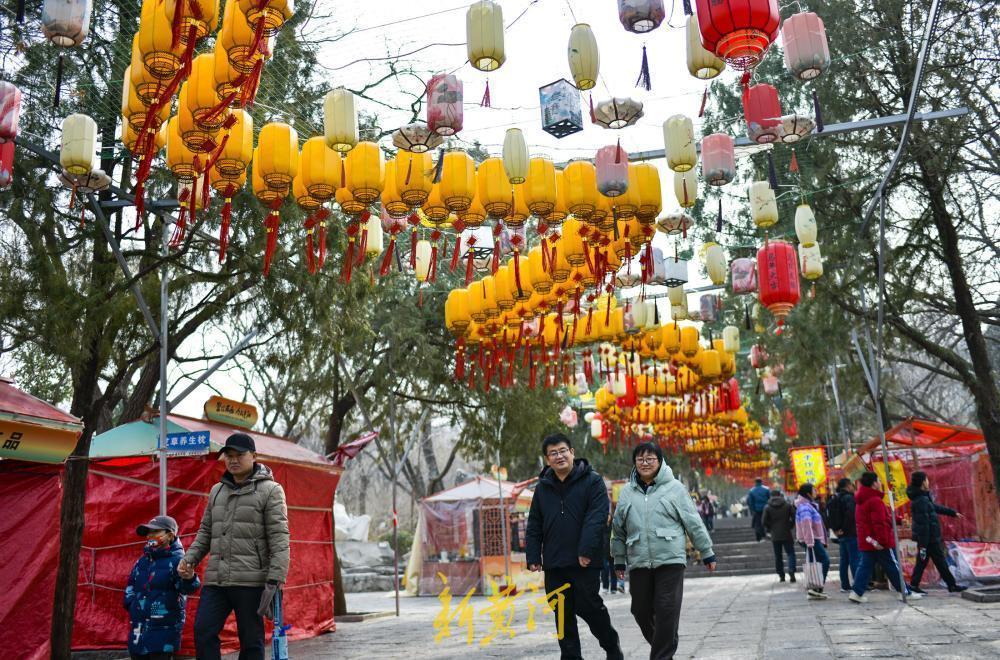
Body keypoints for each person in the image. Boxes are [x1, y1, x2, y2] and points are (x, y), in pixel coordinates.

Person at [178, 433, 291, 660]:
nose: (233, 460)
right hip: (217, 580)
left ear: (254, 456)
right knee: (203, 630)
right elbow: (206, 532)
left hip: (251, 581)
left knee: (251, 640)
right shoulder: (216, 491)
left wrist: (275, 578)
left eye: (239, 455)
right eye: (228, 456)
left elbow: (280, 538)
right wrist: (189, 559)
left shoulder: (271, 490)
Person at [612, 442, 716, 660]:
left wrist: (706, 551)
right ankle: (667, 642)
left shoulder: (675, 488)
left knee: (666, 609)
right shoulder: (627, 493)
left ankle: (662, 656)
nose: (645, 463)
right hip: (639, 559)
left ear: (660, 461)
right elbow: (618, 529)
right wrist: (619, 559)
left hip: (670, 559)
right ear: (635, 463)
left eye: (650, 458)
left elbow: (693, 522)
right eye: (640, 459)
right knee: (639, 610)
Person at [526, 433, 624, 660]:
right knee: (561, 613)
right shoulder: (542, 488)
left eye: (562, 451)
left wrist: (586, 551)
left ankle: (610, 643)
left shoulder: (593, 481)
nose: (559, 456)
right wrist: (533, 555)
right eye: (553, 453)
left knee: (588, 606)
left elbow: (597, 517)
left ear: (572, 452)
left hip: (584, 562)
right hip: (554, 562)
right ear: (547, 459)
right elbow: (534, 523)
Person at [124, 515, 200, 660]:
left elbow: (188, 588)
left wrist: (189, 578)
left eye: (155, 532)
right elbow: (131, 586)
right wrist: (132, 604)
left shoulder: (179, 560)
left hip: (164, 633)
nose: (149, 536)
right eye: (148, 533)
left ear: (170, 535)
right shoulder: (142, 561)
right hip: (138, 631)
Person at [850, 471, 922, 603]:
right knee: (892, 566)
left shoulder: (861, 500)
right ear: (873, 484)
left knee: (865, 565)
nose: (880, 483)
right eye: (878, 480)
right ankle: (904, 592)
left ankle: (856, 592)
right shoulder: (875, 500)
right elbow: (879, 523)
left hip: (868, 540)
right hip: (880, 541)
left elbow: (883, 518)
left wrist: (898, 520)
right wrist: (883, 541)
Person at [907, 471, 967, 594]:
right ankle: (951, 585)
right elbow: (923, 524)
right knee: (936, 562)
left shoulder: (922, 498)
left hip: (928, 539)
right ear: (922, 482)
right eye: (926, 479)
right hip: (929, 540)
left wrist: (952, 513)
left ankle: (915, 585)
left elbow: (935, 508)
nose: (928, 482)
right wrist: (923, 544)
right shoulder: (921, 500)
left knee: (927, 562)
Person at [795, 483, 830, 599]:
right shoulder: (805, 506)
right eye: (814, 490)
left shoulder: (808, 505)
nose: (816, 492)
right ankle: (816, 588)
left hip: (813, 539)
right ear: (808, 493)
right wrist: (810, 542)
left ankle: (816, 589)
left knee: (817, 563)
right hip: (812, 540)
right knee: (825, 561)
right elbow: (806, 525)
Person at [827, 477, 861, 593]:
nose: (853, 487)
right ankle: (858, 585)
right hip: (850, 533)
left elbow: (829, 516)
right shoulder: (849, 498)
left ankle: (845, 585)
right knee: (854, 559)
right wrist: (844, 529)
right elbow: (851, 516)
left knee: (844, 560)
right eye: (852, 485)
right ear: (847, 486)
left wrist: (836, 530)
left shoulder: (834, 498)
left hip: (840, 534)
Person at [762, 489, 796, 583]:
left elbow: (763, 521)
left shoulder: (767, 507)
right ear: (780, 495)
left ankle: (781, 575)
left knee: (778, 555)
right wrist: (790, 525)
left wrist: (770, 528)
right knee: (790, 553)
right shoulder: (787, 505)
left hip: (775, 535)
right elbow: (794, 516)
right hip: (786, 533)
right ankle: (791, 570)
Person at [600, 515, 621, 595]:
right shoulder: (602, 526)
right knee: (604, 570)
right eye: (607, 516)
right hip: (603, 552)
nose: (607, 517)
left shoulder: (613, 526)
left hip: (613, 551)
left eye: (609, 516)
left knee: (613, 570)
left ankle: (613, 588)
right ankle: (605, 587)